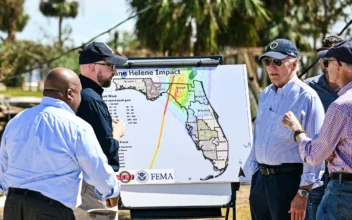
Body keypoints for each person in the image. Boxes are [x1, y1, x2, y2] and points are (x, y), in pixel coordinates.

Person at [0, 67, 121, 220]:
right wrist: (111, 191)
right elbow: (95, 166)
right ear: (70, 93)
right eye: (79, 93)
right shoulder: (77, 126)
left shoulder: (17, 120)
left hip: (14, 206)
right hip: (50, 209)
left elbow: (3, 164)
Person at [249, 38, 325, 220]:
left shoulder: (307, 97)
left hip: (289, 182)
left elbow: (317, 149)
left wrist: (303, 193)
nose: (271, 67)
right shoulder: (266, 94)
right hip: (261, 181)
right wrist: (254, 176)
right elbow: (258, 136)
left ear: (295, 63)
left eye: (277, 61)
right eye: (267, 62)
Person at [282, 39, 352, 220]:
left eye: (327, 62)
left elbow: (314, 156)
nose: (324, 67)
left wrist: (297, 130)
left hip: (344, 192)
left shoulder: (341, 106)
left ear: (337, 65)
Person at [74, 42, 127, 220]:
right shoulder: (91, 99)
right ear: (92, 67)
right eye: (110, 65)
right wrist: (117, 133)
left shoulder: (77, 93)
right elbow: (105, 149)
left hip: (80, 182)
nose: (114, 71)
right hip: (93, 186)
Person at [303, 35, 344, 220]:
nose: (327, 64)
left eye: (332, 60)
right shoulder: (308, 89)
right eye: (324, 58)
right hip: (315, 172)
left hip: (344, 175)